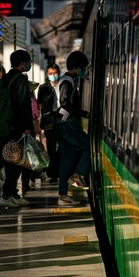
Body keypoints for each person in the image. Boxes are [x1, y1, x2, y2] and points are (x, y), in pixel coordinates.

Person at [0, 50, 34, 209]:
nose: (29, 65)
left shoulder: (4, 79)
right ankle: (7, 195)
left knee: (10, 161)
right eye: (28, 62)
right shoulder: (20, 79)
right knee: (17, 162)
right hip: (16, 127)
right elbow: (24, 105)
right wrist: (28, 127)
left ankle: (12, 194)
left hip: (3, 125)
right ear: (23, 62)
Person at [55, 51, 91, 206]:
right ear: (76, 67)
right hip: (66, 124)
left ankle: (62, 196)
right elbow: (64, 103)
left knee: (67, 159)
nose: (84, 70)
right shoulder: (67, 81)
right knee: (89, 146)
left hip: (62, 124)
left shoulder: (68, 79)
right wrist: (84, 114)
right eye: (83, 67)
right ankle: (76, 176)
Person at [37, 62, 62, 182]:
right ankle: (52, 173)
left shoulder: (63, 85)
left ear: (58, 73)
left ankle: (61, 171)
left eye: (55, 73)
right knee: (51, 148)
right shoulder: (43, 88)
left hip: (62, 120)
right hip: (49, 122)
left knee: (61, 147)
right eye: (51, 74)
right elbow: (40, 104)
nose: (53, 75)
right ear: (47, 74)